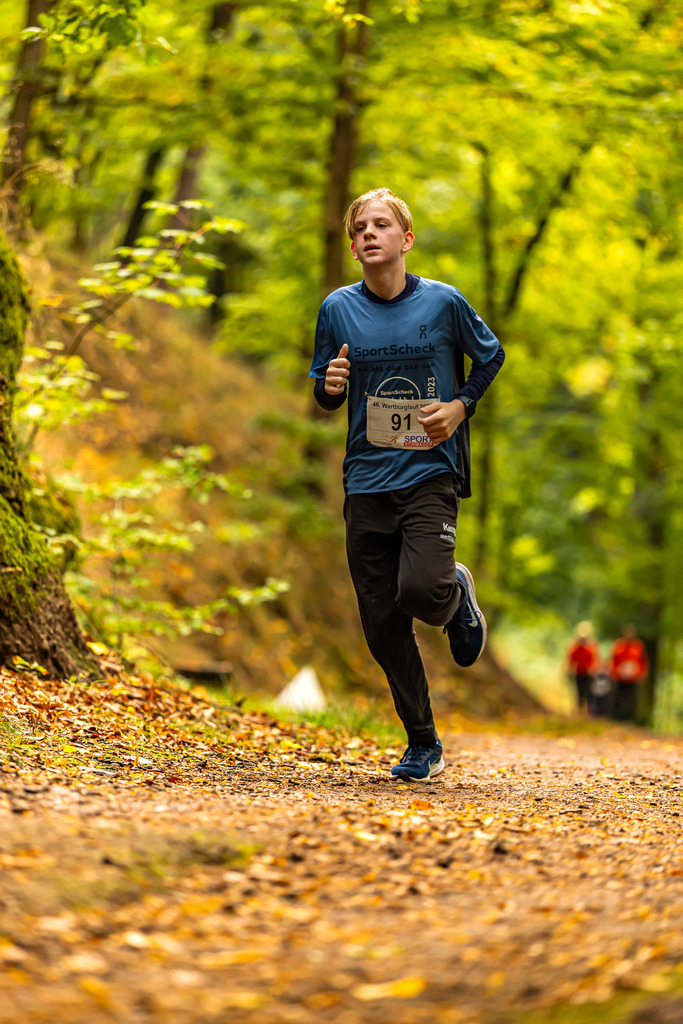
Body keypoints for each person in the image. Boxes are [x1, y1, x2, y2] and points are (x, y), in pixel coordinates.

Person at [309, 187, 504, 782]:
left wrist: (461, 406)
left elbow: (490, 357)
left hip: (429, 473)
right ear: (352, 245)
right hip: (365, 479)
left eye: (382, 224)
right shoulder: (336, 309)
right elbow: (324, 391)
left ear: (405, 238)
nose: (370, 234)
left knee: (419, 590)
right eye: (360, 228)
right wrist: (333, 385)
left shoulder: (443, 304)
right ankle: (423, 742)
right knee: (381, 623)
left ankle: (452, 594)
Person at [608, 624, 649, 722]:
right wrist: (615, 672)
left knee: (632, 698)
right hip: (619, 677)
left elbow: (643, 661)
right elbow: (613, 660)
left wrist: (641, 674)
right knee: (617, 697)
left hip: (633, 678)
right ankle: (616, 717)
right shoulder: (618, 645)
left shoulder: (638, 646)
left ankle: (630, 718)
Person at [566, 622, 600, 714]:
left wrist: (594, 669)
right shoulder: (575, 647)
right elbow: (571, 659)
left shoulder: (591, 646)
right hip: (578, 672)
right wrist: (569, 670)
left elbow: (595, 658)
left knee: (589, 692)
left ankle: (589, 710)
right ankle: (580, 709)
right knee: (579, 691)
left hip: (589, 673)